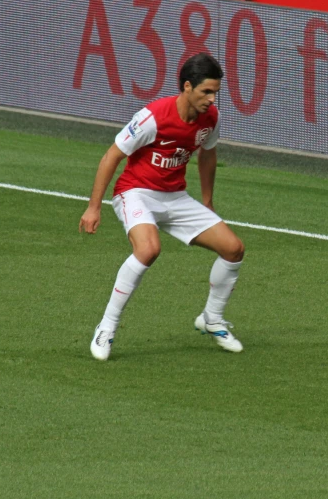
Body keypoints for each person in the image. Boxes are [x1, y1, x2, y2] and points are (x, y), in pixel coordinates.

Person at [79, 52, 244, 361]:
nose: (211, 99)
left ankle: (212, 319)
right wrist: (93, 207)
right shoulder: (153, 117)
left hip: (175, 197)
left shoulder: (211, 118)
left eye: (215, 92)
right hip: (136, 192)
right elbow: (111, 156)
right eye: (206, 91)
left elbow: (208, 154)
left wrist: (207, 201)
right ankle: (107, 326)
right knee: (148, 250)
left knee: (233, 249)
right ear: (186, 87)